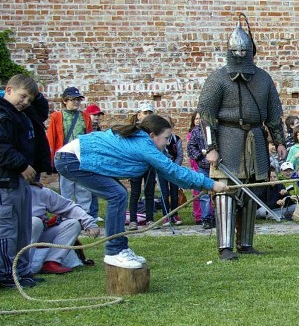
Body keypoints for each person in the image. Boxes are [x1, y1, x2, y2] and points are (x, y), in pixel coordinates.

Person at [54, 114, 226, 269]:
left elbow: (171, 173)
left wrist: (204, 186)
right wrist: (211, 184)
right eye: (166, 138)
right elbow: (173, 170)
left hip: (72, 157)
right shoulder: (144, 145)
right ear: (152, 135)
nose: (167, 143)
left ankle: (120, 247)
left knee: (118, 193)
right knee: (118, 195)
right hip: (71, 160)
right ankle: (114, 251)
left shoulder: (143, 141)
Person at [198, 20, 287, 260]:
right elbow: (205, 116)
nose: (239, 54)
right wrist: (211, 148)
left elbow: (274, 114)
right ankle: (225, 246)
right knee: (226, 191)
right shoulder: (217, 79)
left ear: (250, 52)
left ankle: (245, 243)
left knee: (249, 192)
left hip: (255, 138)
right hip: (227, 138)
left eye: (243, 51)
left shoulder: (263, 79)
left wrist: (280, 141)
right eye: (235, 51)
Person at [0, 74, 40, 288]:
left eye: (29, 100)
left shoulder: (22, 115)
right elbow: (2, 148)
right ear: (8, 90)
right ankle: (6, 273)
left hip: (20, 181)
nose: (25, 102)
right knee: (7, 229)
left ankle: (23, 271)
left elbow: (41, 110)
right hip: (5, 181)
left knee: (24, 228)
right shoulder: (2, 114)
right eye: (23, 96)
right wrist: (22, 166)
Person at [29, 183, 100, 275]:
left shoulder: (39, 191)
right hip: (13, 241)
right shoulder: (5, 191)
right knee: (34, 222)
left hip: (38, 236)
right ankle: (23, 267)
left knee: (73, 224)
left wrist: (89, 223)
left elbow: (68, 207)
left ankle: (52, 262)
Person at [47, 86, 95, 221]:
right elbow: (52, 138)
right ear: (64, 101)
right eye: (73, 100)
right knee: (66, 189)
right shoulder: (57, 116)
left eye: (78, 100)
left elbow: (89, 136)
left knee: (84, 189)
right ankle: (66, 217)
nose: (76, 102)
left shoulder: (85, 117)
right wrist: (52, 160)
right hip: (64, 156)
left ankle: (84, 217)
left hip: (81, 156)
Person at [127, 102, 157, 230]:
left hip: (150, 164)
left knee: (149, 192)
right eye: (145, 113)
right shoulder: (133, 130)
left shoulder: (155, 129)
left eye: (150, 113)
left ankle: (150, 219)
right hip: (136, 164)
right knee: (135, 192)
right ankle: (133, 220)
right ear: (139, 115)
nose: (148, 115)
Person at [187, 110, 214, 228]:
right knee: (204, 194)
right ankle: (206, 218)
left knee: (218, 192)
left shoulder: (214, 129)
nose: (198, 120)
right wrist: (200, 156)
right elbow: (191, 147)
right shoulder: (195, 132)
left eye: (200, 118)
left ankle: (217, 217)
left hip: (216, 165)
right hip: (203, 165)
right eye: (196, 118)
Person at [156, 115, 184, 226]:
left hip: (174, 169)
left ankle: (174, 214)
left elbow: (180, 155)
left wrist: (174, 167)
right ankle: (166, 215)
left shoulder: (176, 139)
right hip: (162, 169)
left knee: (174, 193)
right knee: (164, 192)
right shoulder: (158, 140)